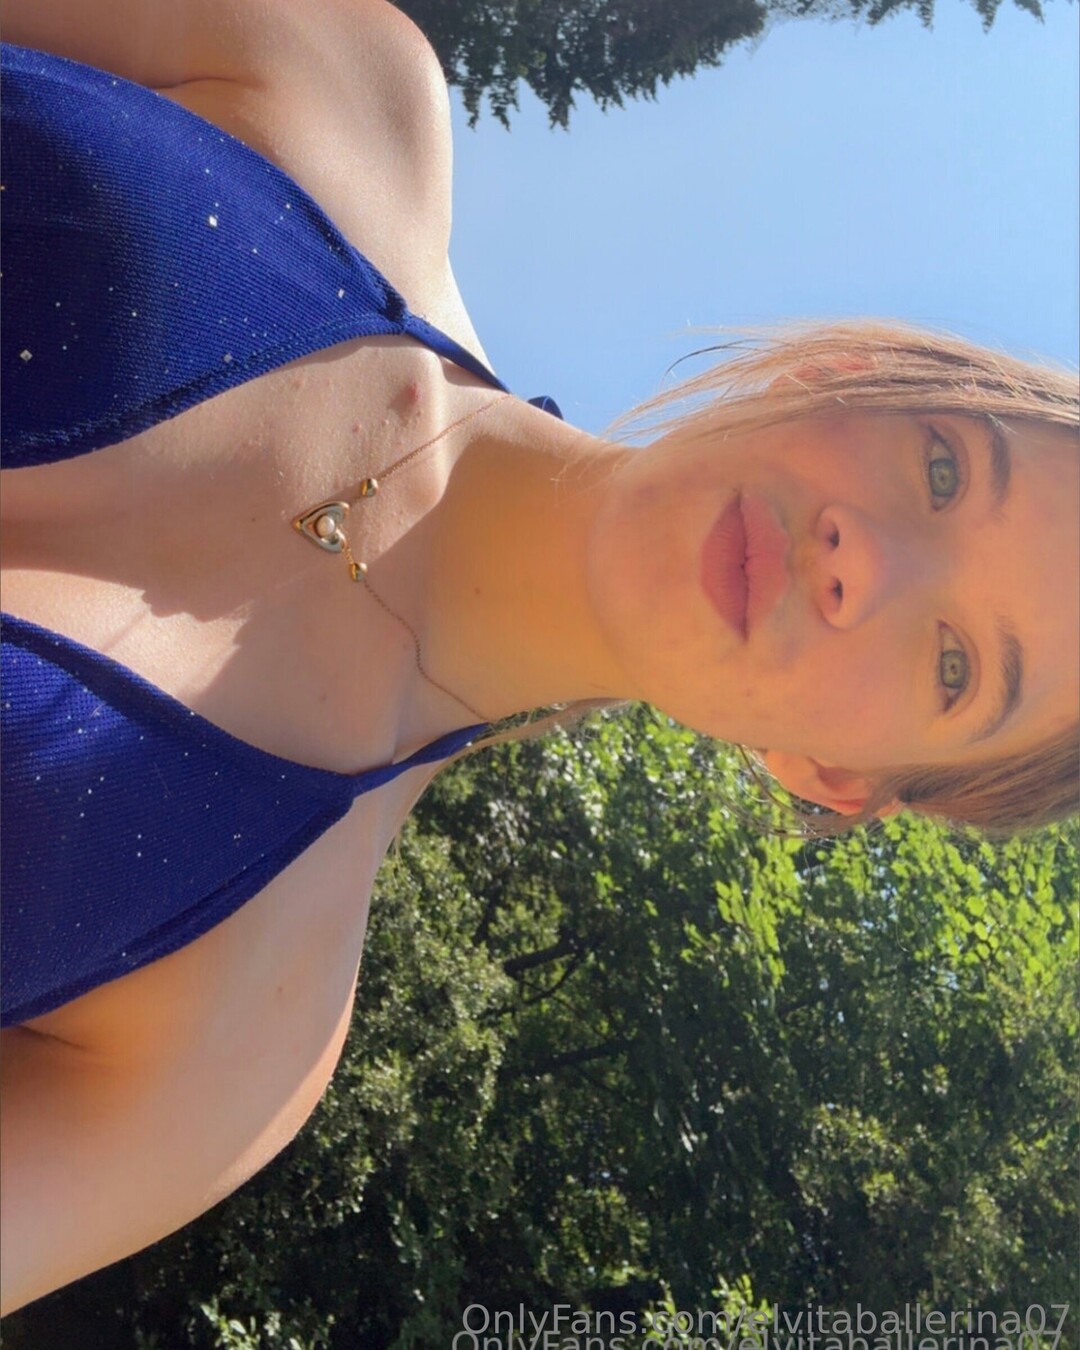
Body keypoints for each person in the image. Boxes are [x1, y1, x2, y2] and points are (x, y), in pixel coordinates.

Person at [1, 0, 1076, 1316]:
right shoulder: (339, 91)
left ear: (836, 775)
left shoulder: (241, 1037)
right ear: (843, 376)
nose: (870, 566)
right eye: (948, 471)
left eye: (955, 668)